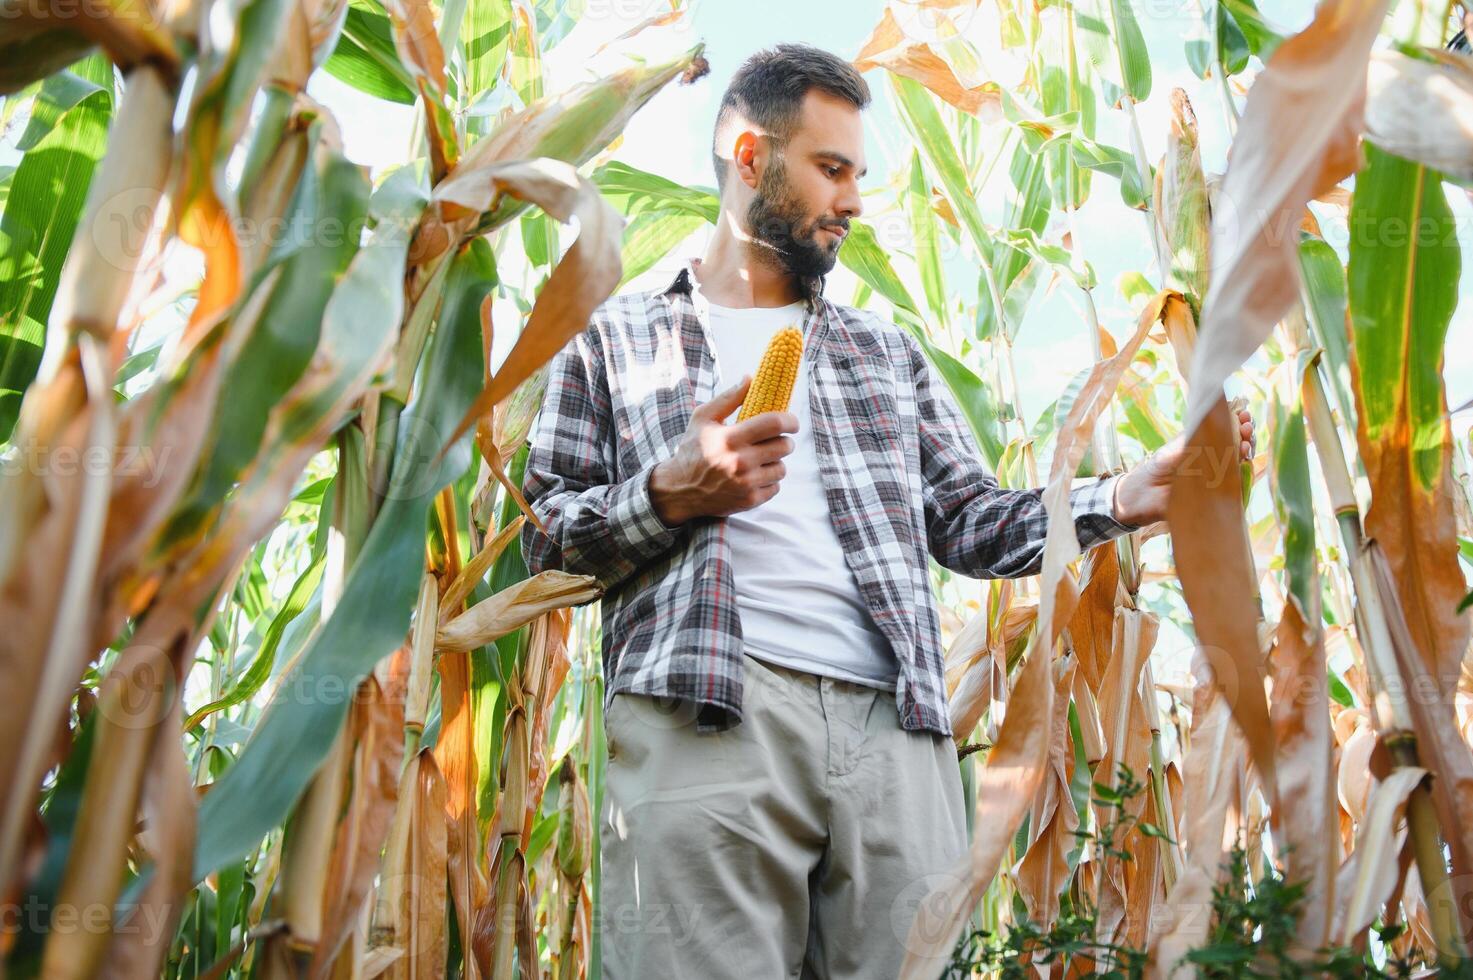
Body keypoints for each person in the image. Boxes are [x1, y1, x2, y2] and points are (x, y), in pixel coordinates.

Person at [520, 43, 1256, 980]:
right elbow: (543, 544)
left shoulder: (883, 352)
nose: (854, 200)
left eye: (859, 175)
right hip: (703, 713)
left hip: (894, 730)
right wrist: (667, 493)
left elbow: (972, 523)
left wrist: (1122, 495)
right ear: (750, 159)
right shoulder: (613, 338)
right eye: (831, 169)